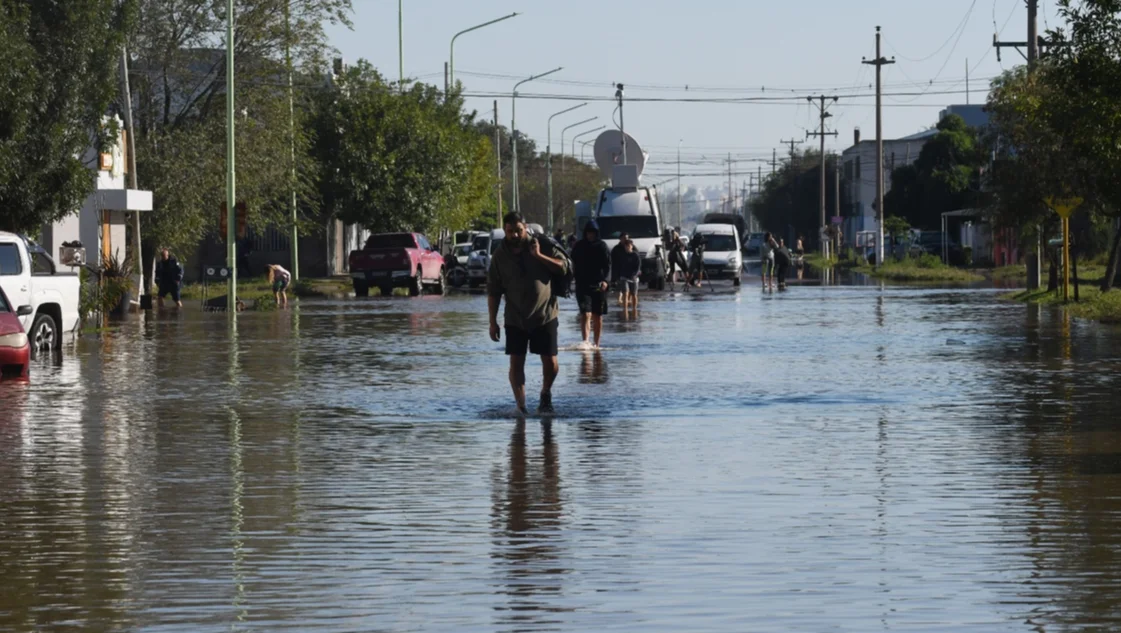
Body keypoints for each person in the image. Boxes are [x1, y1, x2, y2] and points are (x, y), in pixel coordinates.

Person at [488, 212, 568, 415]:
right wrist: (492, 322)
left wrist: (539, 256)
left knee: (550, 361)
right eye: (510, 231)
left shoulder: (542, 244)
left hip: (545, 313)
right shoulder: (500, 255)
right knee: (516, 362)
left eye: (518, 230)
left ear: (525, 228)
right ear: (505, 231)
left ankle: (545, 393)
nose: (515, 235)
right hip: (515, 317)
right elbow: (494, 291)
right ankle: (521, 406)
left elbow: (563, 267)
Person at [569, 219, 611, 348]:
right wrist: (570, 278)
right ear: (585, 233)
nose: (590, 235)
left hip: (599, 285)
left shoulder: (602, 246)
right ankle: (586, 342)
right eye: (588, 232)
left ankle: (596, 344)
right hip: (582, 284)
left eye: (592, 232)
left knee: (597, 315)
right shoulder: (579, 246)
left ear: (596, 233)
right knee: (586, 313)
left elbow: (608, 265)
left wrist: (606, 281)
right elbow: (571, 262)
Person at [617, 237, 642, 312]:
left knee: (634, 294)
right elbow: (619, 266)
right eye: (626, 246)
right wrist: (618, 275)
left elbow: (638, 267)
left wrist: (635, 275)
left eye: (629, 246)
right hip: (624, 277)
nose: (627, 247)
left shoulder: (635, 255)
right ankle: (625, 309)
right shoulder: (622, 255)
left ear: (631, 246)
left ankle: (634, 309)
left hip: (634, 277)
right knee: (625, 293)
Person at [610, 232, 630, 304]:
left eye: (627, 238)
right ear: (620, 239)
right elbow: (612, 261)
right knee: (619, 287)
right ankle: (619, 301)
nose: (626, 239)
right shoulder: (616, 249)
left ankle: (627, 301)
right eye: (624, 238)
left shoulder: (632, 247)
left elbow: (636, 257)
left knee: (629, 287)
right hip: (619, 270)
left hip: (629, 271)